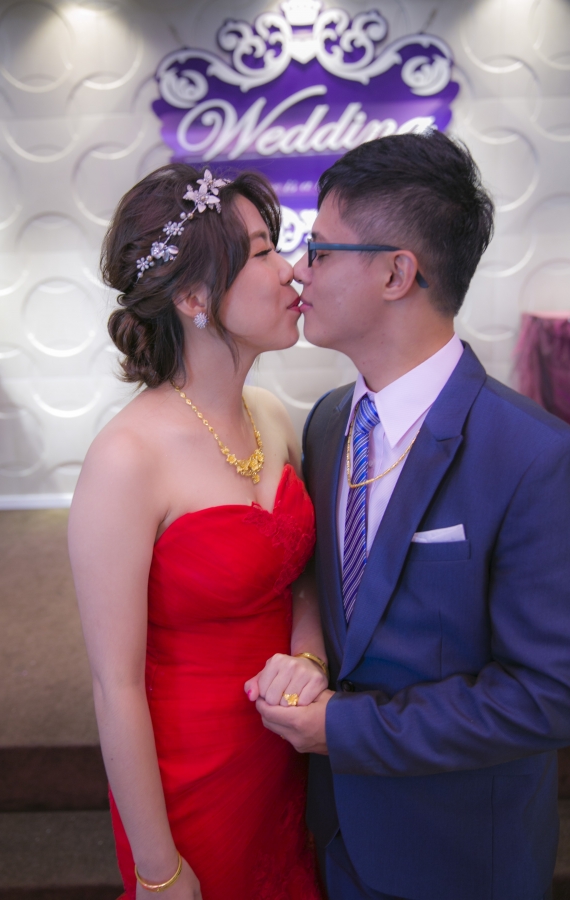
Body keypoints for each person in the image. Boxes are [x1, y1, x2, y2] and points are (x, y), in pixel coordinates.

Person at [253, 131, 570, 900]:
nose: (298, 270)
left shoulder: (533, 455)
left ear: (397, 273)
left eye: (320, 250)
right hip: (336, 835)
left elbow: (547, 695)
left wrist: (343, 729)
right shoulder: (329, 422)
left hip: (458, 853)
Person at [68, 164, 326, 900]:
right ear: (191, 298)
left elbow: (303, 577)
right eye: (263, 252)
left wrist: (308, 655)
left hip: (281, 757)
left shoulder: (271, 414)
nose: (292, 270)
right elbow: (114, 685)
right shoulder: (127, 460)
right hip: (190, 783)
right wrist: (158, 869)